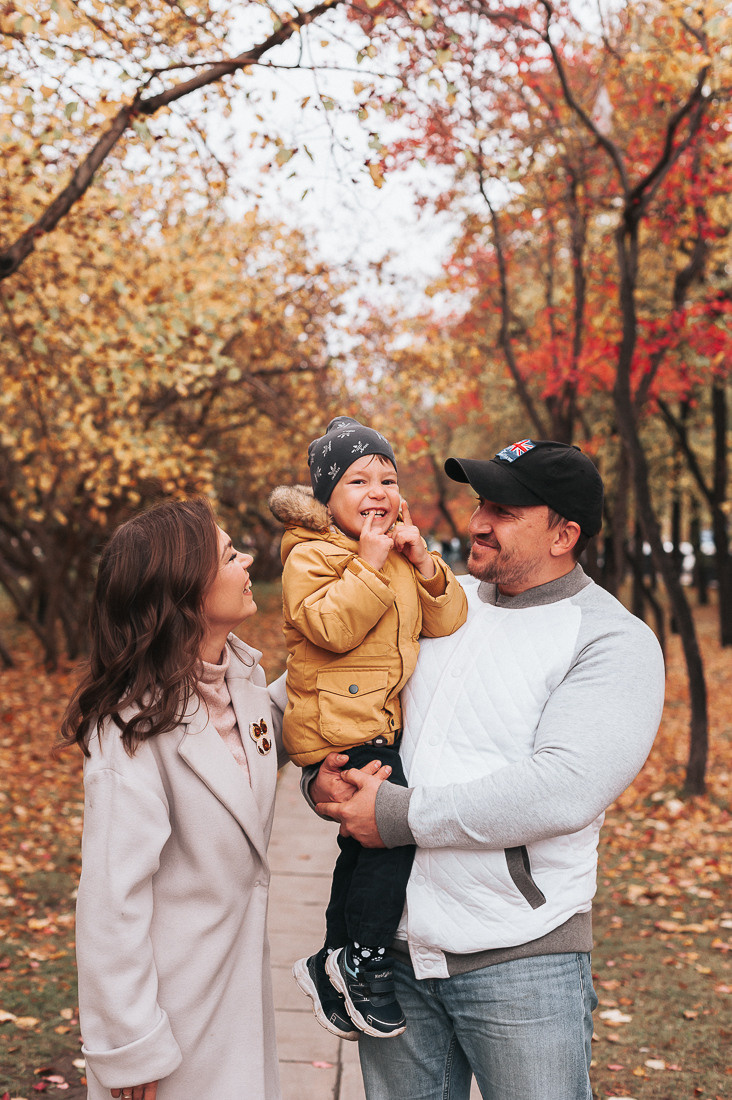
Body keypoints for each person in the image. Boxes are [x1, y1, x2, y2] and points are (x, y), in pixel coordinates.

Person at [313, 439, 666, 1100]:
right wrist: (321, 774)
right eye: (480, 502)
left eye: (503, 510)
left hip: (521, 960)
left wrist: (395, 815)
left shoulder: (610, 640)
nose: (476, 522)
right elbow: (321, 687)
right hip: (392, 961)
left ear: (565, 534)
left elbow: (563, 787)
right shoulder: (431, 597)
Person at [57, 498, 289, 1100]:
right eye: (231, 554)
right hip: (170, 1015)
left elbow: (273, 735)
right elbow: (111, 901)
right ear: (185, 588)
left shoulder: (243, 683)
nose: (248, 562)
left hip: (234, 991)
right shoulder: (129, 728)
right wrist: (130, 1045)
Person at [268, 415, 467, 1041]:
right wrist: (370, 567)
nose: (378, 491)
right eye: (358, 480)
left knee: (362, 848)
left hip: (375, 724)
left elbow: (449, 619)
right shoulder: (312, 556)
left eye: (388, 477)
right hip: (338, 724)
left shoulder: (395, 556)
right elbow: (329, 628)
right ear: (328, 499)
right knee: (392, 836)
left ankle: (332, 959)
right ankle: (365, 958)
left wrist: (420, 560)